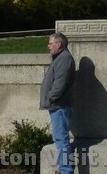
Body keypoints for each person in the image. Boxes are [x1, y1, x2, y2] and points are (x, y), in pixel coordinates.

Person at [40, 32, 76, 174]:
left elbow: (60, 84)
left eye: (50, 43)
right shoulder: (60, 58)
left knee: (61, 140)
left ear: (58, 44)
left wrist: (50, 98)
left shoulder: (64, 58)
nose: (48, 46)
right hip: (57, 104)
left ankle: (66, 171)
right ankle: (64, 170)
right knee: (60, 139)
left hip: (59, 105)